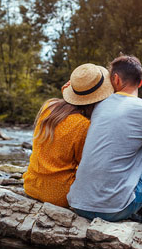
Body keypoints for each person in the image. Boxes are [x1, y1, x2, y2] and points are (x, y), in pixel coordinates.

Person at [67, 55, 142, 221]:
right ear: (140, 82)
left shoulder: (98, 106)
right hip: (115, 211)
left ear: (115, 79)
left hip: (78, 204)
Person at [23, 63, 114, 207]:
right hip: (60, 195)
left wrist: (72, 94)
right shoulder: (83, 125)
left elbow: (67, 112)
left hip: (31, 185)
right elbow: (83, 166)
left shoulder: (49, 106)